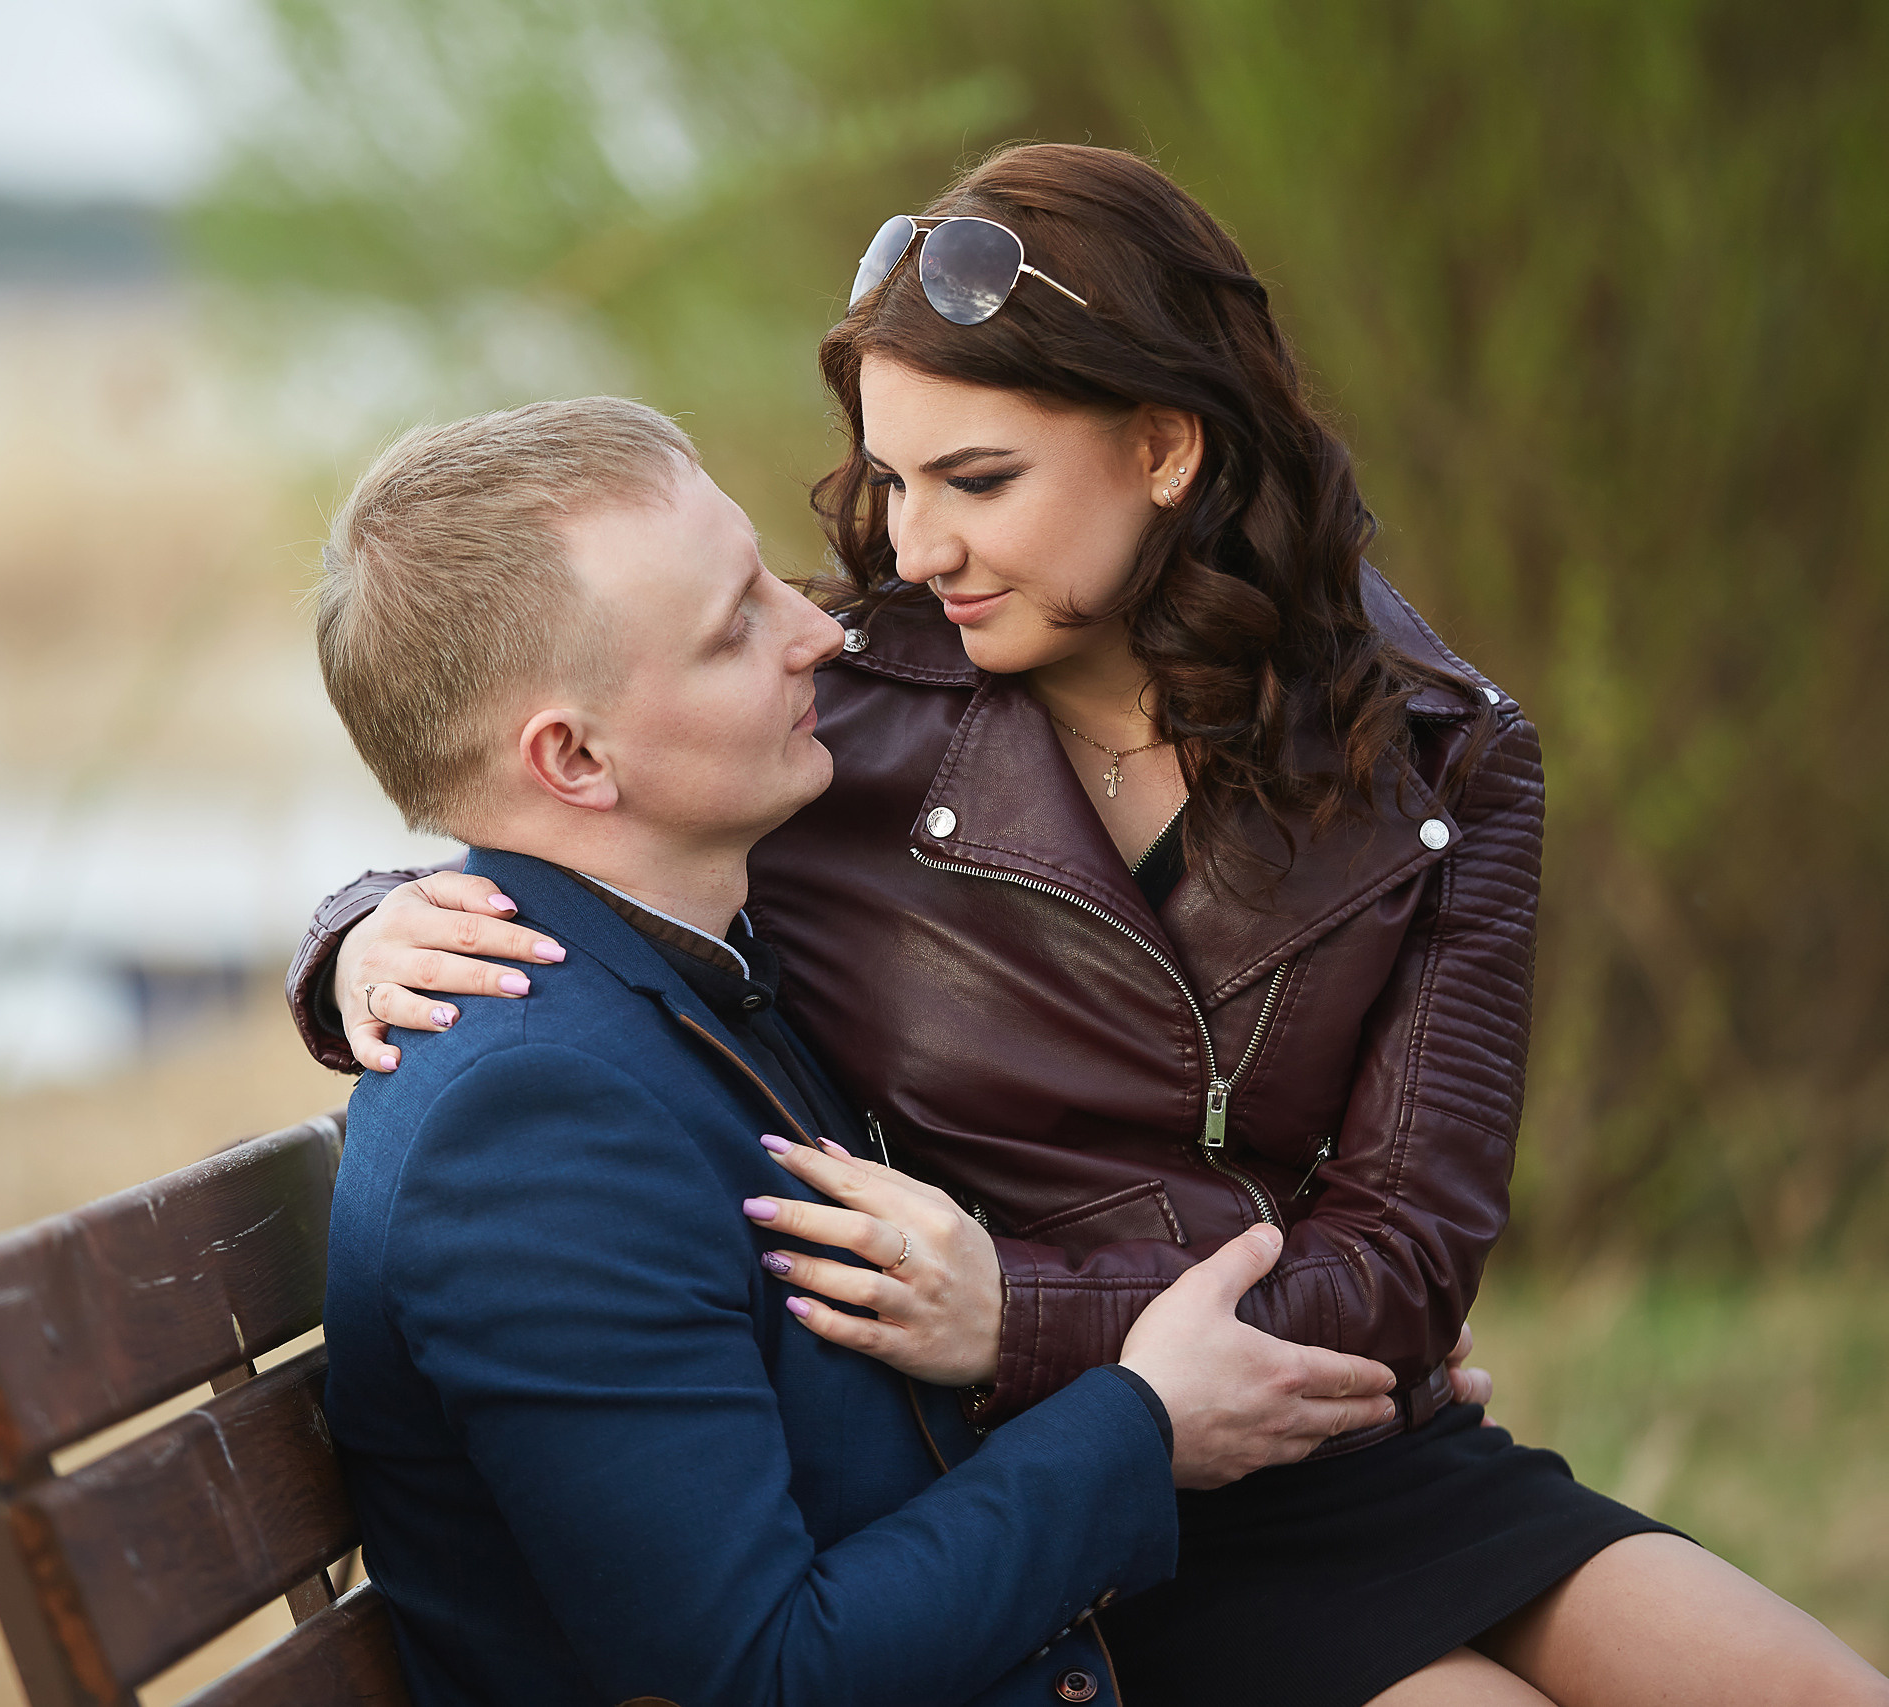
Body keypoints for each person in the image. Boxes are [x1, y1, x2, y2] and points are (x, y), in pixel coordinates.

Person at [288, 149, 1889, 1706]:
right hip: (1062, 1490)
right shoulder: (847, 724)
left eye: (978, 482)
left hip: (1271, 1420)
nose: (890, 565)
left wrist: (1043, 1321)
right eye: (892, 483)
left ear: (1165, 450)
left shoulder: (1432, 757)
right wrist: (364, 928)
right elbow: (559, 824)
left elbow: (1412, 1243)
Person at [312, 395, 1435, 1707]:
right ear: (573, 758)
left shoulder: (674, 962)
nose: (819, 631)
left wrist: (1283, 1343)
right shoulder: (537, 1125)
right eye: (738, 624)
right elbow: (766, 1673)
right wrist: (1145, 1424)